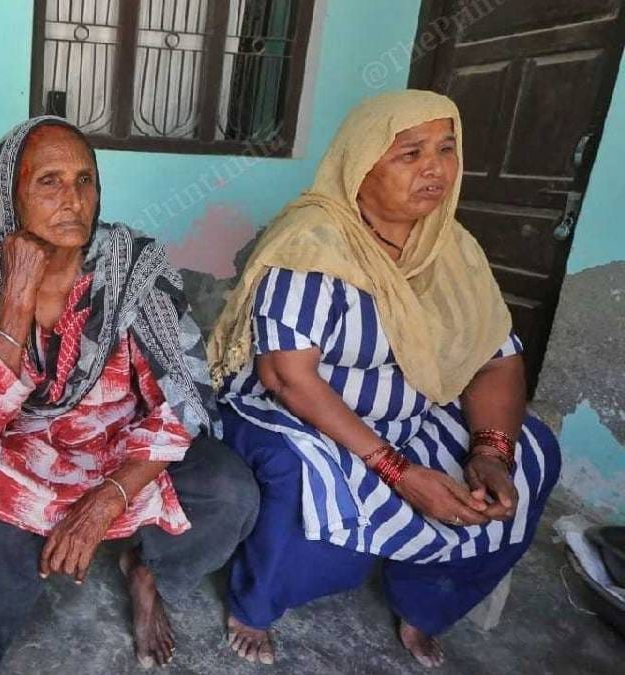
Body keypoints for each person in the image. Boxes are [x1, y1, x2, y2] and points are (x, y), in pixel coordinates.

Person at [206, 90, 561, 668]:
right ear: (360, 164)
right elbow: (288, 378)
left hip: (407, 414)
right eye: (410, 153)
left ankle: (426, 601)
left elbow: (497, 358)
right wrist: (398, 470)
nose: (435, 168)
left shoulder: (451, 247)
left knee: (533, 452)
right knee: (318, 483)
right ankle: (258, 602)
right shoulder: (313, 244)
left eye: (447, 149)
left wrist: (491, 451)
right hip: (296, 412)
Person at [0, 117, 259, 674]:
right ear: (9, 197)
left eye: (85, 180)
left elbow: (186, 398)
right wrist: (17, 300)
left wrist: (107, 501)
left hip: (122, 448)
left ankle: (148, 573)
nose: (73, 199)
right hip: (22, 448)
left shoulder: (134, 267)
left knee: (230, 491)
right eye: (48, 182)